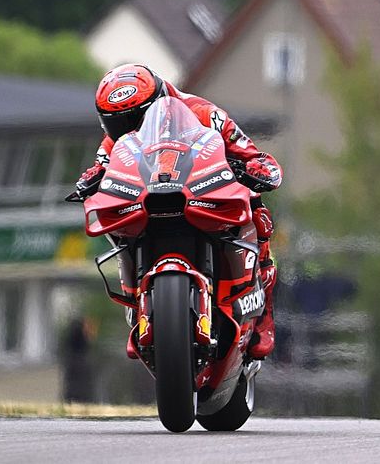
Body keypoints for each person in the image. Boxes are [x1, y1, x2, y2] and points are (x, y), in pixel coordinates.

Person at [75, 63, 282, 360]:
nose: (130, 130)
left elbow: (248, 152)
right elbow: (100, 167)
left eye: (138, 119)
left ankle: (263, 315)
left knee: (256, 208)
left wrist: (257, 168)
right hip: (147, 202)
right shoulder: (115, 142)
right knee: (115, 225)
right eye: (118, 124)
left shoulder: (203, 113)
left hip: (199, 194)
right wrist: (89, 181)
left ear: (158, 101)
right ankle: (138, 309)